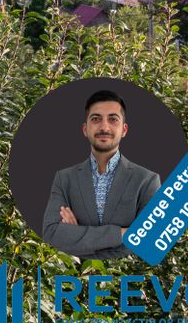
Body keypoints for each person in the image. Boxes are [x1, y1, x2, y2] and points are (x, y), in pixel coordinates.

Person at [40, 90, 161, 259]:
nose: (104, 127)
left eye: (113, 119)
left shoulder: (147, 180)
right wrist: (123, 234)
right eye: (96, 119)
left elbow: (147, 238)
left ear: (124, 129)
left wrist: (77, 239)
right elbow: (52, 233)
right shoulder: (64, 178)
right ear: (85, 128)